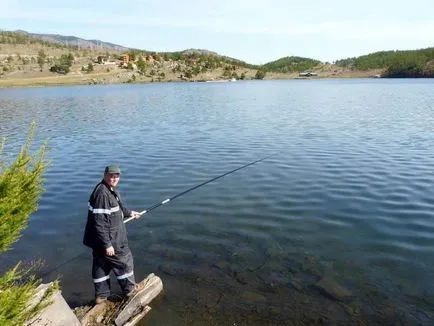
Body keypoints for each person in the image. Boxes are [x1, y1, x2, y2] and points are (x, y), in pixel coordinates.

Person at [83, 165, 141, 304]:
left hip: (98, 241)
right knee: (125, 262)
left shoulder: (108, 189)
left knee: (101, 266)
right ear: (104, 174)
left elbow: (117, 208)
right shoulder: (103, 194)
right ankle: (130, 291)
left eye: (116, 176)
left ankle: (101, 297)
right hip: (110, 241)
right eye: (111, 175)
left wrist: (129, 213)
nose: (114, 178)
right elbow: (99, 223)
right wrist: (107, 244)